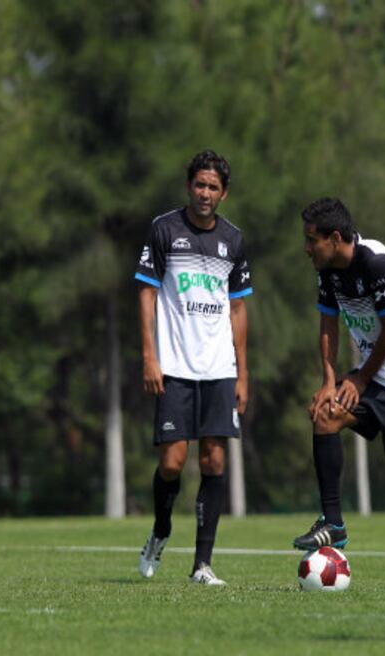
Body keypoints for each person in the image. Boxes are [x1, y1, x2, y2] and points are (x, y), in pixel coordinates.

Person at [294, 197, 385, 591]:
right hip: (375, 374)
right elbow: (328, 325)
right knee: (326, 414)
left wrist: (358, 379)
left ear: (336, 238)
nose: (307, 248)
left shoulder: (378, 264)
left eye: (312, 240)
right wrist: (329, 381)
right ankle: (334, 525)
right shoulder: (327, 271)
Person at [134, 150, 252, 585]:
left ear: (223, 193)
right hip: (176, 367)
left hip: (219, 368)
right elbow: (146, 294)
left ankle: (202, 564)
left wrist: (243, 373)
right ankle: (161, 530)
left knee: (215, 461)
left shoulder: (233, 240)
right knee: (172, 462)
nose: (205, 193)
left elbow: (237, 308)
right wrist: (150, 356)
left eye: (213, 187)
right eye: (199, 185)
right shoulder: (164, 229)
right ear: (189, 187)